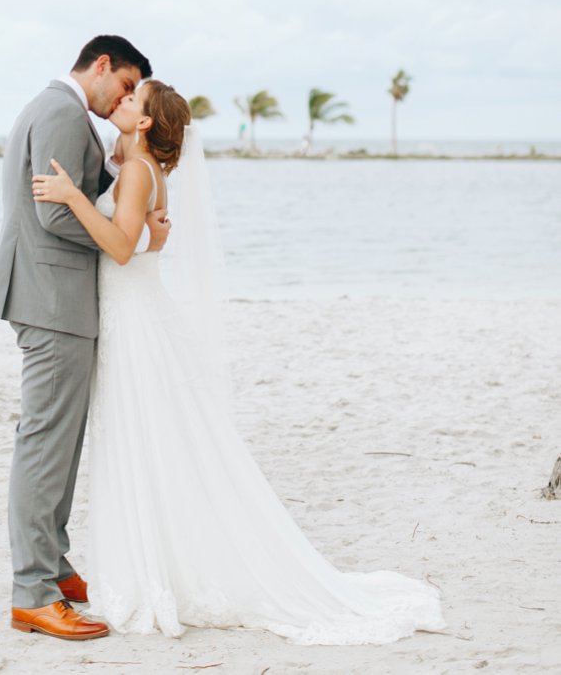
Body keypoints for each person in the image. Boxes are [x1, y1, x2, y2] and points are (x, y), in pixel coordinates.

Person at [32, 79, 445, 644]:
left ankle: (156, 571)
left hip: (133, 322)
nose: (122, 100)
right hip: (138, 312)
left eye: (134, 99)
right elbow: (153, 242)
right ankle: (161, 564)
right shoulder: (139, 165)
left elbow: (125, 246)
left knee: (142, 439)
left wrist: (73, 196)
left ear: (147, 121)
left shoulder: (134, 171)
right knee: (151, 441)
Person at [0, 35, 169, 642]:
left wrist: (123, 203)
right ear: (103, 65)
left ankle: (55, 571)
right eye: (124, 85)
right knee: (44, 443)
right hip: (52, 297)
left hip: (51, 294)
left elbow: (70, 201)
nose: (123, 99)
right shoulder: (62, 110)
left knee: (57, 443)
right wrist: (129, 235)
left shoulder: (53, 108)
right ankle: (33, 590)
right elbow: (55, 213)